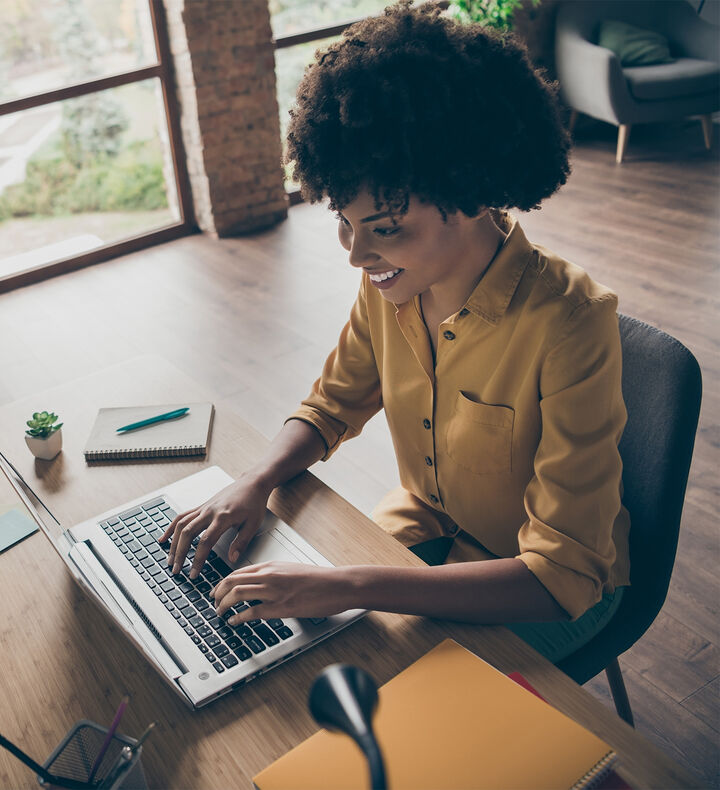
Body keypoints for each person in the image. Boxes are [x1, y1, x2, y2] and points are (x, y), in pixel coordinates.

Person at [162, 0, 630, 663]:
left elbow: (561, 576)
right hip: (430, 521)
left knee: (384, 682)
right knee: (298, 649)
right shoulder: (393, 282)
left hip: (537, 584)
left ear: (469, 194)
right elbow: (331, 405)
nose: (357, 255)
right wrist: (253, 481)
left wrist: (350, 584)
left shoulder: (571, 324)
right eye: (344, 223)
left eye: (383, 229)